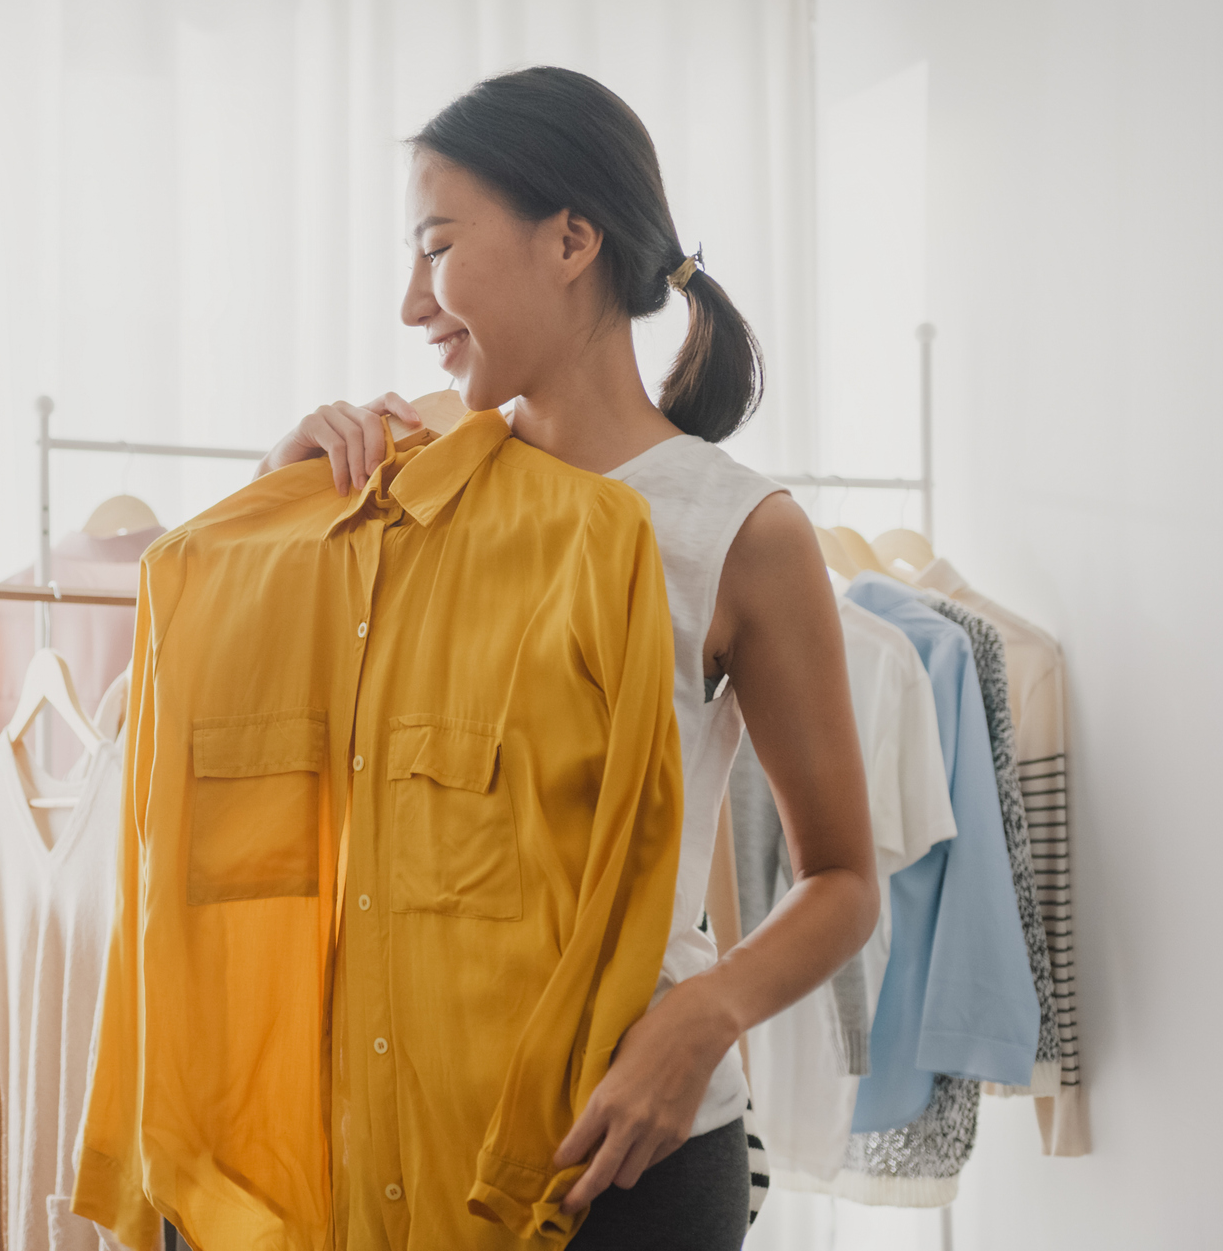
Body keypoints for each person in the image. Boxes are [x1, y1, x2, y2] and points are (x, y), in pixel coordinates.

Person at [256, 67, 879, 1250]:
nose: (408, 303)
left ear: (571, 239)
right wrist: (272, 506)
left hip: (621, 1155)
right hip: (394, 1142)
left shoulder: (733, 533)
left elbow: (842, 879)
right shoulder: (406, 490)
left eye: (434, 248)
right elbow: (272, 754)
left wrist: (704, 1016)